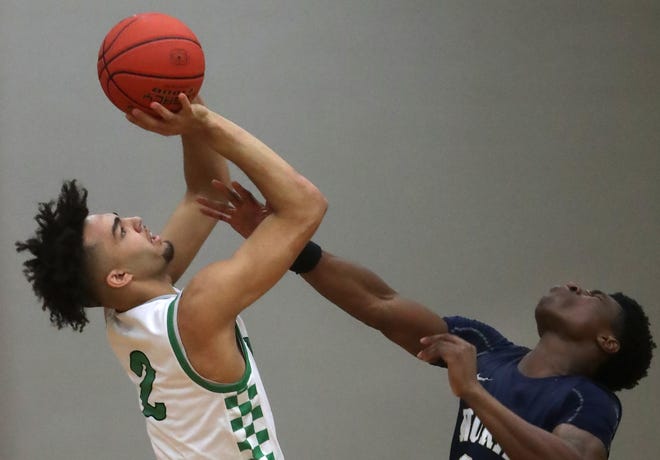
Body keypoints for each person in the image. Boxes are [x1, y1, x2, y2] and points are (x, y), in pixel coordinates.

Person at [198, 181, 656, 460]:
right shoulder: (487, 351)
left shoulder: (590, 400)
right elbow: (379, 303)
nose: (576, 286)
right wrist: (284, 246)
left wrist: (474, 392)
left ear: (607, 341)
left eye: (593, 296)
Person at [16, 94, 327, 459]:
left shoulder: (123, 310)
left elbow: (207, 192)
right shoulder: (198, 311)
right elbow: (305, 205)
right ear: (118, 275)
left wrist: (186, 101)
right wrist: (206, 123)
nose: (134, 220)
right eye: (121, 230)